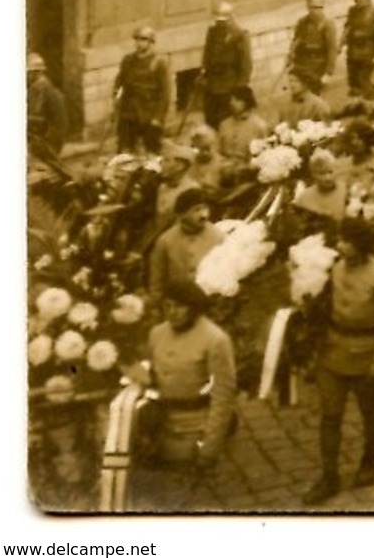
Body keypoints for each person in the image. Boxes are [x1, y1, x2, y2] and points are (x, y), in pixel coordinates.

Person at [303, 217, 374, 505]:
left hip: (365, 356)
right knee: (330, 416)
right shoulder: (334, 270)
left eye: (347, 241)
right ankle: (329, 477)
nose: (340, 246)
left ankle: (369, 459)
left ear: (362, 245)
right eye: (339, 240)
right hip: (333, 353)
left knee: (369, 412)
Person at [128, 278, 237, 510]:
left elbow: (222, 397)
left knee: (185, 499)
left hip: (195, 426)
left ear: (194, 307)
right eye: (167, 306)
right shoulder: (157, 333)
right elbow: (149, 370)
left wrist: (209, 447)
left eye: (179, 306)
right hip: (161, 424)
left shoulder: (215, 339)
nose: (173, 313)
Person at [146, 189, 222, 321]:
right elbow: (157, 279)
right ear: (182, 215)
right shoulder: (165, 241)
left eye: (205, 208)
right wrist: (157, 306)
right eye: (196, 210)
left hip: (208, 306)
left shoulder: (218, 236)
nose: (203, 214)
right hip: (177, 308)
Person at [115, 25, 171, 154]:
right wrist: (116, 97)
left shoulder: (159, 63)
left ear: (151, 42)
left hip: (149, 114)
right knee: (124, 151)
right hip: (129, 113)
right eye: (137, 39)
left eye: (143, 40)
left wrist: (158, 117)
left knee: (152, 152)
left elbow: (165, 93)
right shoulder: (128, 60)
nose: (139, 43)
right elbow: (119, 82)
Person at [199, 3, 252, 130]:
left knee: (227, 121)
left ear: (230, 18)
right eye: (217, 20)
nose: (219, 23)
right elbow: (207, 53)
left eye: (223, 20)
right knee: (210, 120)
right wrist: (204, 72)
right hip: (212, 84)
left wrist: (240, 87)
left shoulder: (239, 34)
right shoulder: (212, 31)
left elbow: (246, 63)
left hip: (230, 85)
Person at [340, 0, 374, 95]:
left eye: (360, 0)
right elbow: (348, 28)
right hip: (353, 52)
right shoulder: (352, 10)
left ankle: (371, 102)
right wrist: (340, 44)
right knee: (353, 83)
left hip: (368, 52)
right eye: (356, 0)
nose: (358, 2)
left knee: (365, 81)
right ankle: (356, 103)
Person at [290, 0, 338, 94]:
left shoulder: (328, 24)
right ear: (308, 7)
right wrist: (291, 55)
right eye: (313, 7)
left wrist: (329, 73)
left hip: (319, 66)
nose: (316, 11)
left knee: (315, 96)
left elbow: (332, 49)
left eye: (319, 7)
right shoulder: (302, 22)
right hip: (303, 64)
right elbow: (296, 40)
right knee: (301, 95)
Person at [27, 53, 68, 152]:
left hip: (45, 144)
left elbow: (58, 126)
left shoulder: (49, 93)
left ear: (38, 72)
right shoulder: (32, 89)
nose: (27, 76)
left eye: (29, 72)